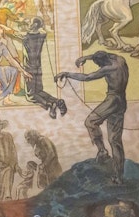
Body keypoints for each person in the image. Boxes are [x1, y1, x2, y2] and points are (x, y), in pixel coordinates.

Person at [55, 51, 128, 183]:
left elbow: (87, 77)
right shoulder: (120, 60)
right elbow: (106, 54)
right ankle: (119, 176)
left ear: (102, 63)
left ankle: (102, 151)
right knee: (115, 140)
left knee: (90, 121)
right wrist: (87, 58)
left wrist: (67, 74)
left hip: (112, 100)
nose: (99, 67)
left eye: (98, 64)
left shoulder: (108, 69)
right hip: (122, 101)